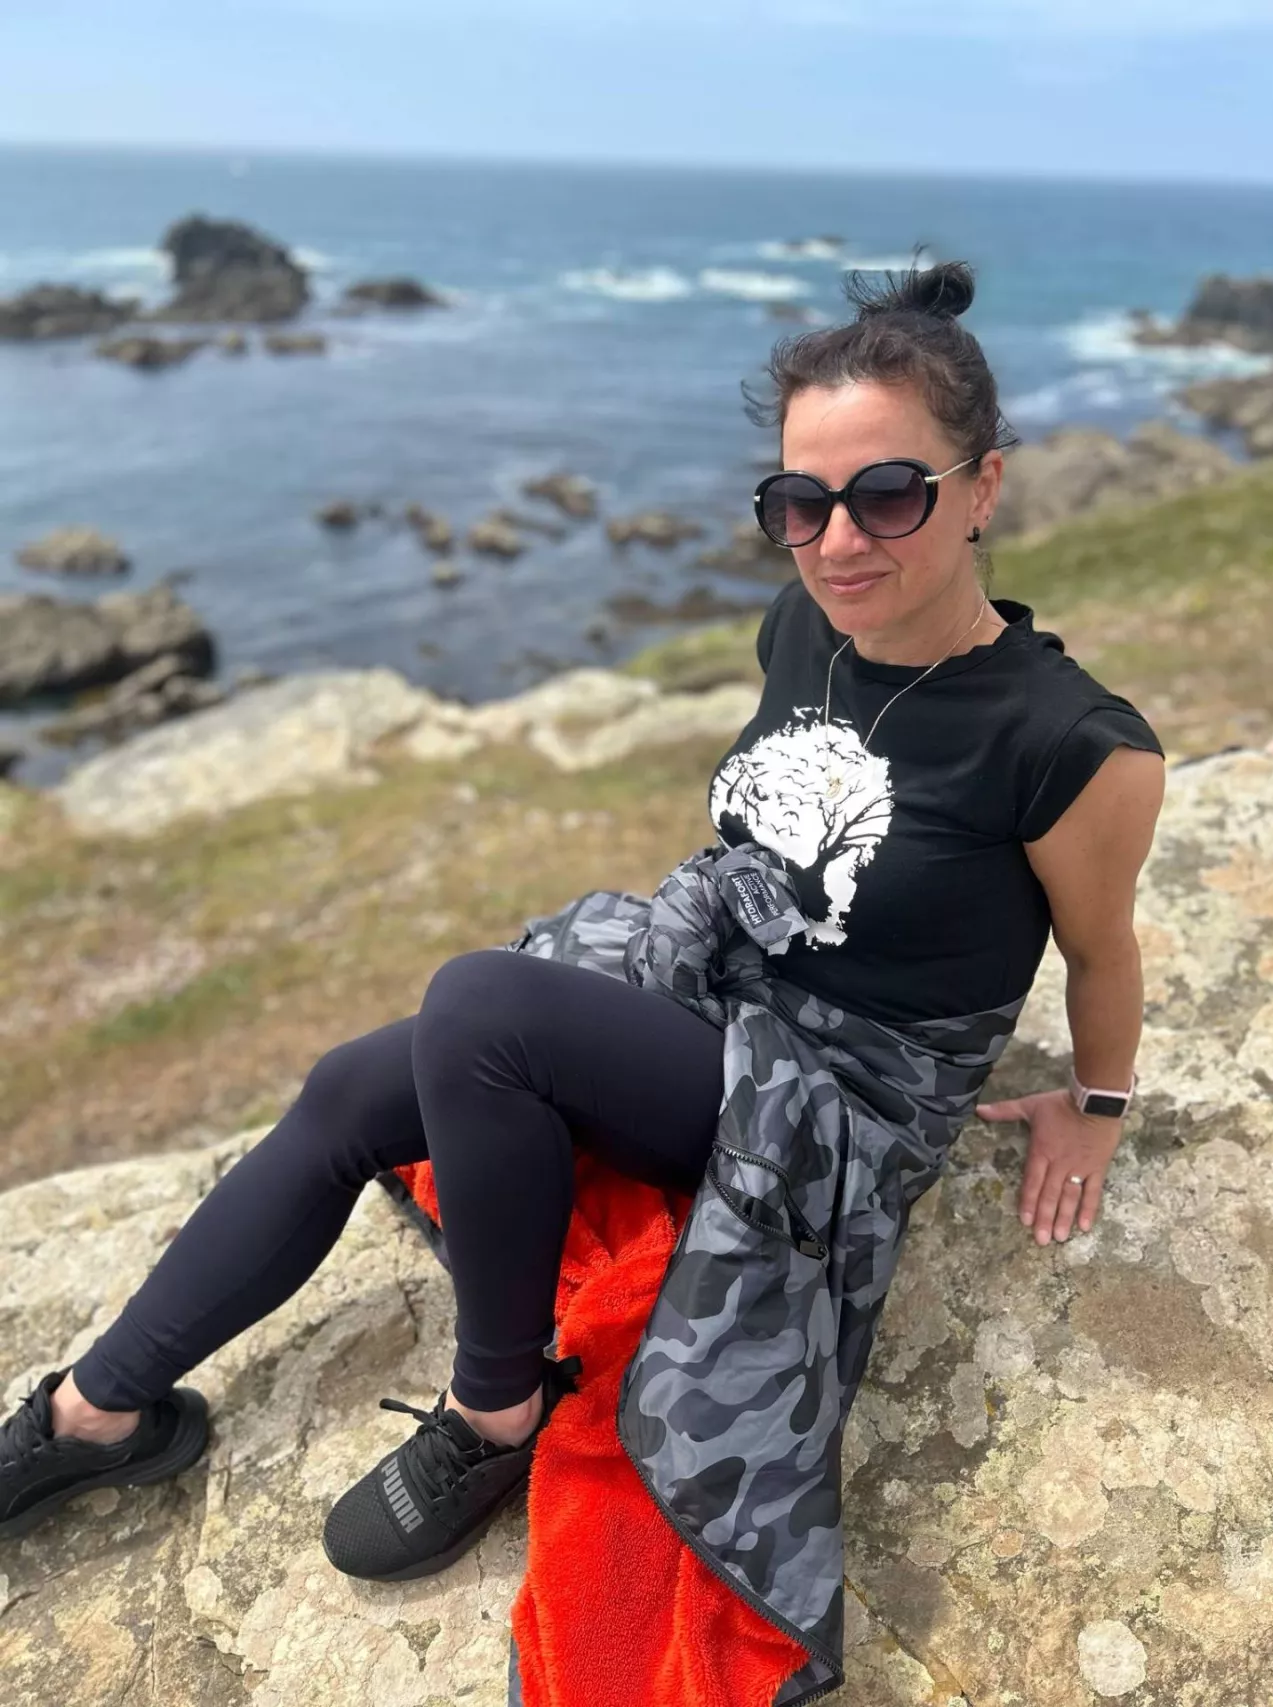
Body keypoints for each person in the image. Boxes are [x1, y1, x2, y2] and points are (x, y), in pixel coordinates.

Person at [0, 261, 1165, 1585]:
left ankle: (494, 1411)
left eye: (889, 494)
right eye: (800, 503)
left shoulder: (1074, 744)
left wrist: (1098, 1104)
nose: (839, 541)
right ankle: (92, 1413)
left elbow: (1103, 949)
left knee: (482, 1011)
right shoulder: (806, 623)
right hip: (727, 992)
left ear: (984, 487)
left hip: (846, 1090)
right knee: (350, 1088)